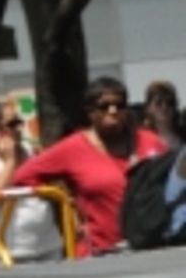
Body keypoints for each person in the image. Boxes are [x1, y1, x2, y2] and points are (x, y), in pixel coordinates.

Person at [10, 77, 167, 256]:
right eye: (104, 106)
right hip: (102, 252)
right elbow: (22, 177)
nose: (113, 111)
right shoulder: (72, 148)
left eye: (120, 105)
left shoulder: (150, 141)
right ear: (90, 112)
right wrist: (63, 200)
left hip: (154, 247)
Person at [0, 102, 61, 265]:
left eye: (19, 122)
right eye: (12, 124)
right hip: (4, 254)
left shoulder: (32, 150)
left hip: (47, 247)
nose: (18, 128)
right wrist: (10, 160)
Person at [140, 78, 182, 148]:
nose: (164, 107)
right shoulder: (141, 139)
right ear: (148, 108)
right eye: (158, 103)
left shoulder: (182, 135)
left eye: (170, 103)